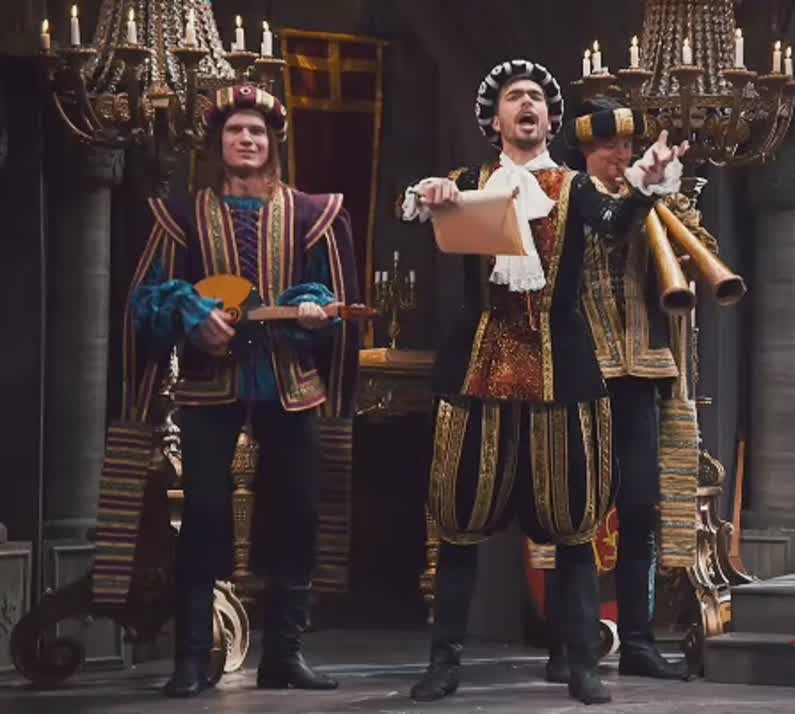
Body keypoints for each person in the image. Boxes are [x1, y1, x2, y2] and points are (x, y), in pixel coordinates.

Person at [399, 59, 687, 704]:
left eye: (536, 97)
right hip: (480, 370)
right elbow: (414, 207)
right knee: (458, 521)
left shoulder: (573, 186)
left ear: (551, 120)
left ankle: (583, 664)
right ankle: (444, 661)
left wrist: (646, 187)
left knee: (574, 525)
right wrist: (427, 192)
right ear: (495, 119)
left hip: (560, 373)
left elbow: (615, 224)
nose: (526, 104)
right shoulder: (468, 182)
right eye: (513, 97)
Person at [124, 84, 360, 696]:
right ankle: (190, 659)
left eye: (257, 131)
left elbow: (329, 294)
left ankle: (284, 656)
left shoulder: (311, 213)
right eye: (235, 131)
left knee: (297, 514)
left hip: (289, 384)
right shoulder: (182, 214)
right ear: (218, 144)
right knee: (203, 516)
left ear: (273, 144)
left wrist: (314, 311)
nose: (247, 139)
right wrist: (191, 313)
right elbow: (145, 300)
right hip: (210, 386)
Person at [535, 96, 687, 683]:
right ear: (584, 152)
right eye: (607, 146)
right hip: (580, 370)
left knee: (642, 507)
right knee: (572, 510)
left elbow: (693, 266)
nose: (620, 155)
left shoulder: (657, 196)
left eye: (626, 145)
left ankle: (639, 642)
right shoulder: (561, 198)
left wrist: (672, 214)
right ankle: (565, 643)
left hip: (640, 370)